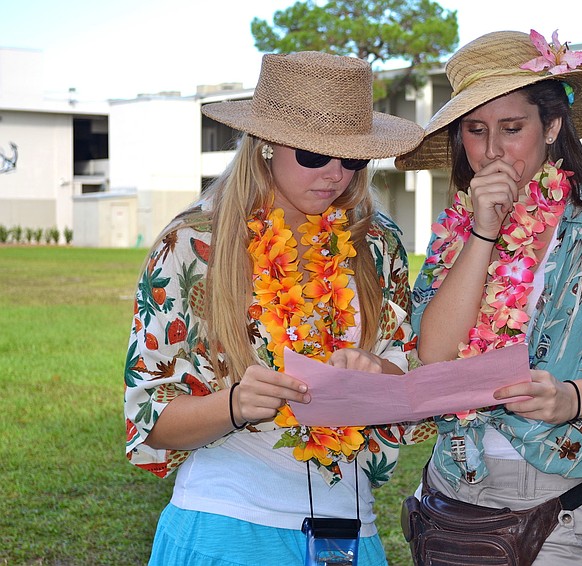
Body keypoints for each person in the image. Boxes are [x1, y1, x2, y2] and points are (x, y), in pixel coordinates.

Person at [124, 51, 425, 566]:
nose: (336, 175)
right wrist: (236, 404)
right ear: (264, 144)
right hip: (225, 526)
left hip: (350, 533)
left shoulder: (378, 242)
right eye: (313, 155)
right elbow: (149, 419)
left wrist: (375, 373)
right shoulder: (192, 244)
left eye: (352, 158)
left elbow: (410, 374)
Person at [395, 29, 582, 564]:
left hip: (557, 511)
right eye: (476, 131)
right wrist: (483, 232)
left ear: (551, 126)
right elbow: (432, 355)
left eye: (512, 128)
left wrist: (569, 398)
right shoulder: (458, 225)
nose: (493, 151)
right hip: (450, 493)